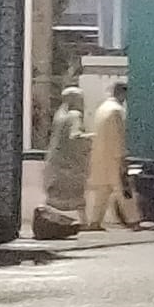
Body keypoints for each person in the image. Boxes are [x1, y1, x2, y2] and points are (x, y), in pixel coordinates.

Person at [86, 82, 140, 231]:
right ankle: (134, 221)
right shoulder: (117, 110)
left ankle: (95, 221)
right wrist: (123, 158)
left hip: (100, 157)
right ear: (122, 94)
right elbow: (118, 137)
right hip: (115, 158)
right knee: (124, 190)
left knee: (103, 191)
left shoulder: (101, 109)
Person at [43, 87, 89, 227]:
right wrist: (93, 137)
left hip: (54, 161)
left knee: (55, 194)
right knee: (77, 194)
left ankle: (48, 219)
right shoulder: (74, 115)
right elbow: (75, 136)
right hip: (70, 163)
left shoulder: (59, 115)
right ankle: (83, 222)